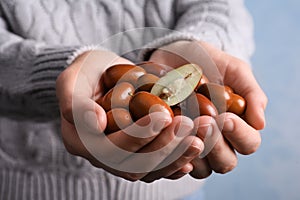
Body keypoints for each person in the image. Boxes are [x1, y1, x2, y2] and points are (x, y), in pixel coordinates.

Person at [0, 0, 267, 199]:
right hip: (25, 187)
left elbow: (218, 6)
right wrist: (56, 72)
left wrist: (202, 44)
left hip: (176, 192)